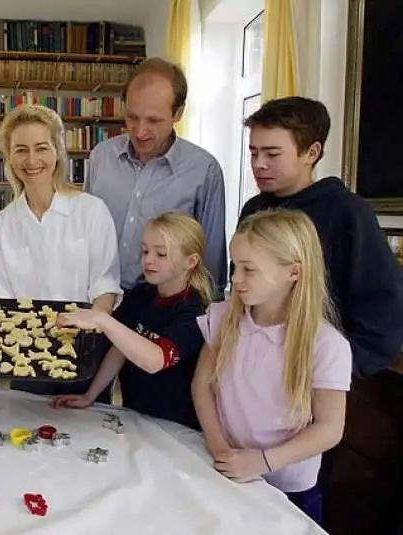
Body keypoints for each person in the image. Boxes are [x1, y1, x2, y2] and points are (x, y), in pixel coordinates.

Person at [239, 96, 403, 516]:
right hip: (252, 387)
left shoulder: (349, 215)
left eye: (272, 153)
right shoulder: (255, 209)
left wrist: (328, 378)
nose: (259, 164)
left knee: (295, 499)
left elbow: (383, 319)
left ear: (312, 152)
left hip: (309, 394)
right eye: (254, 152)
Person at [192, 209, 352, 526]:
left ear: (293, 272)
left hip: (290, 489)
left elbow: (329, 429)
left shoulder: (326, 344)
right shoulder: (223, 318)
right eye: (235, 266)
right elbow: (201, 386)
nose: (235, 278)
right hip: (225, 469)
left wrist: (262, 462)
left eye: (248, 269)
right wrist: (220, 448)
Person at [0, 103, 122, 397]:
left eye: (41, 148)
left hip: (85, 348)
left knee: (85, 436)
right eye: (21, 150)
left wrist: (87, 335)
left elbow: (105, 284)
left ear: (58, 151)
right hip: (26, 352)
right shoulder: (2, 225)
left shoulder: (91, 211)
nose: (32, 160)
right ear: (9, 158)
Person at [52, 213, 212, 429]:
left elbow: (155, 360)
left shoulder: (194, 311)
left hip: (176, 425)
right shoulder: (141, 294)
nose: (148, 260)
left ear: (190, 261)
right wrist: (90, 395)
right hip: (135, 415)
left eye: (161, 254)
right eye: (145, 251)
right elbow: (120, 349)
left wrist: (102, 320)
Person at [84, 57, 227, 296]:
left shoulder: (205, 171)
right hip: (97, 297)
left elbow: (211, 264)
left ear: (178, 113)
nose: (140, 131)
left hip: (166, 311)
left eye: (153, 120)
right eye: (132, 117)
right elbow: (84, 231)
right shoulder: (101, 157)